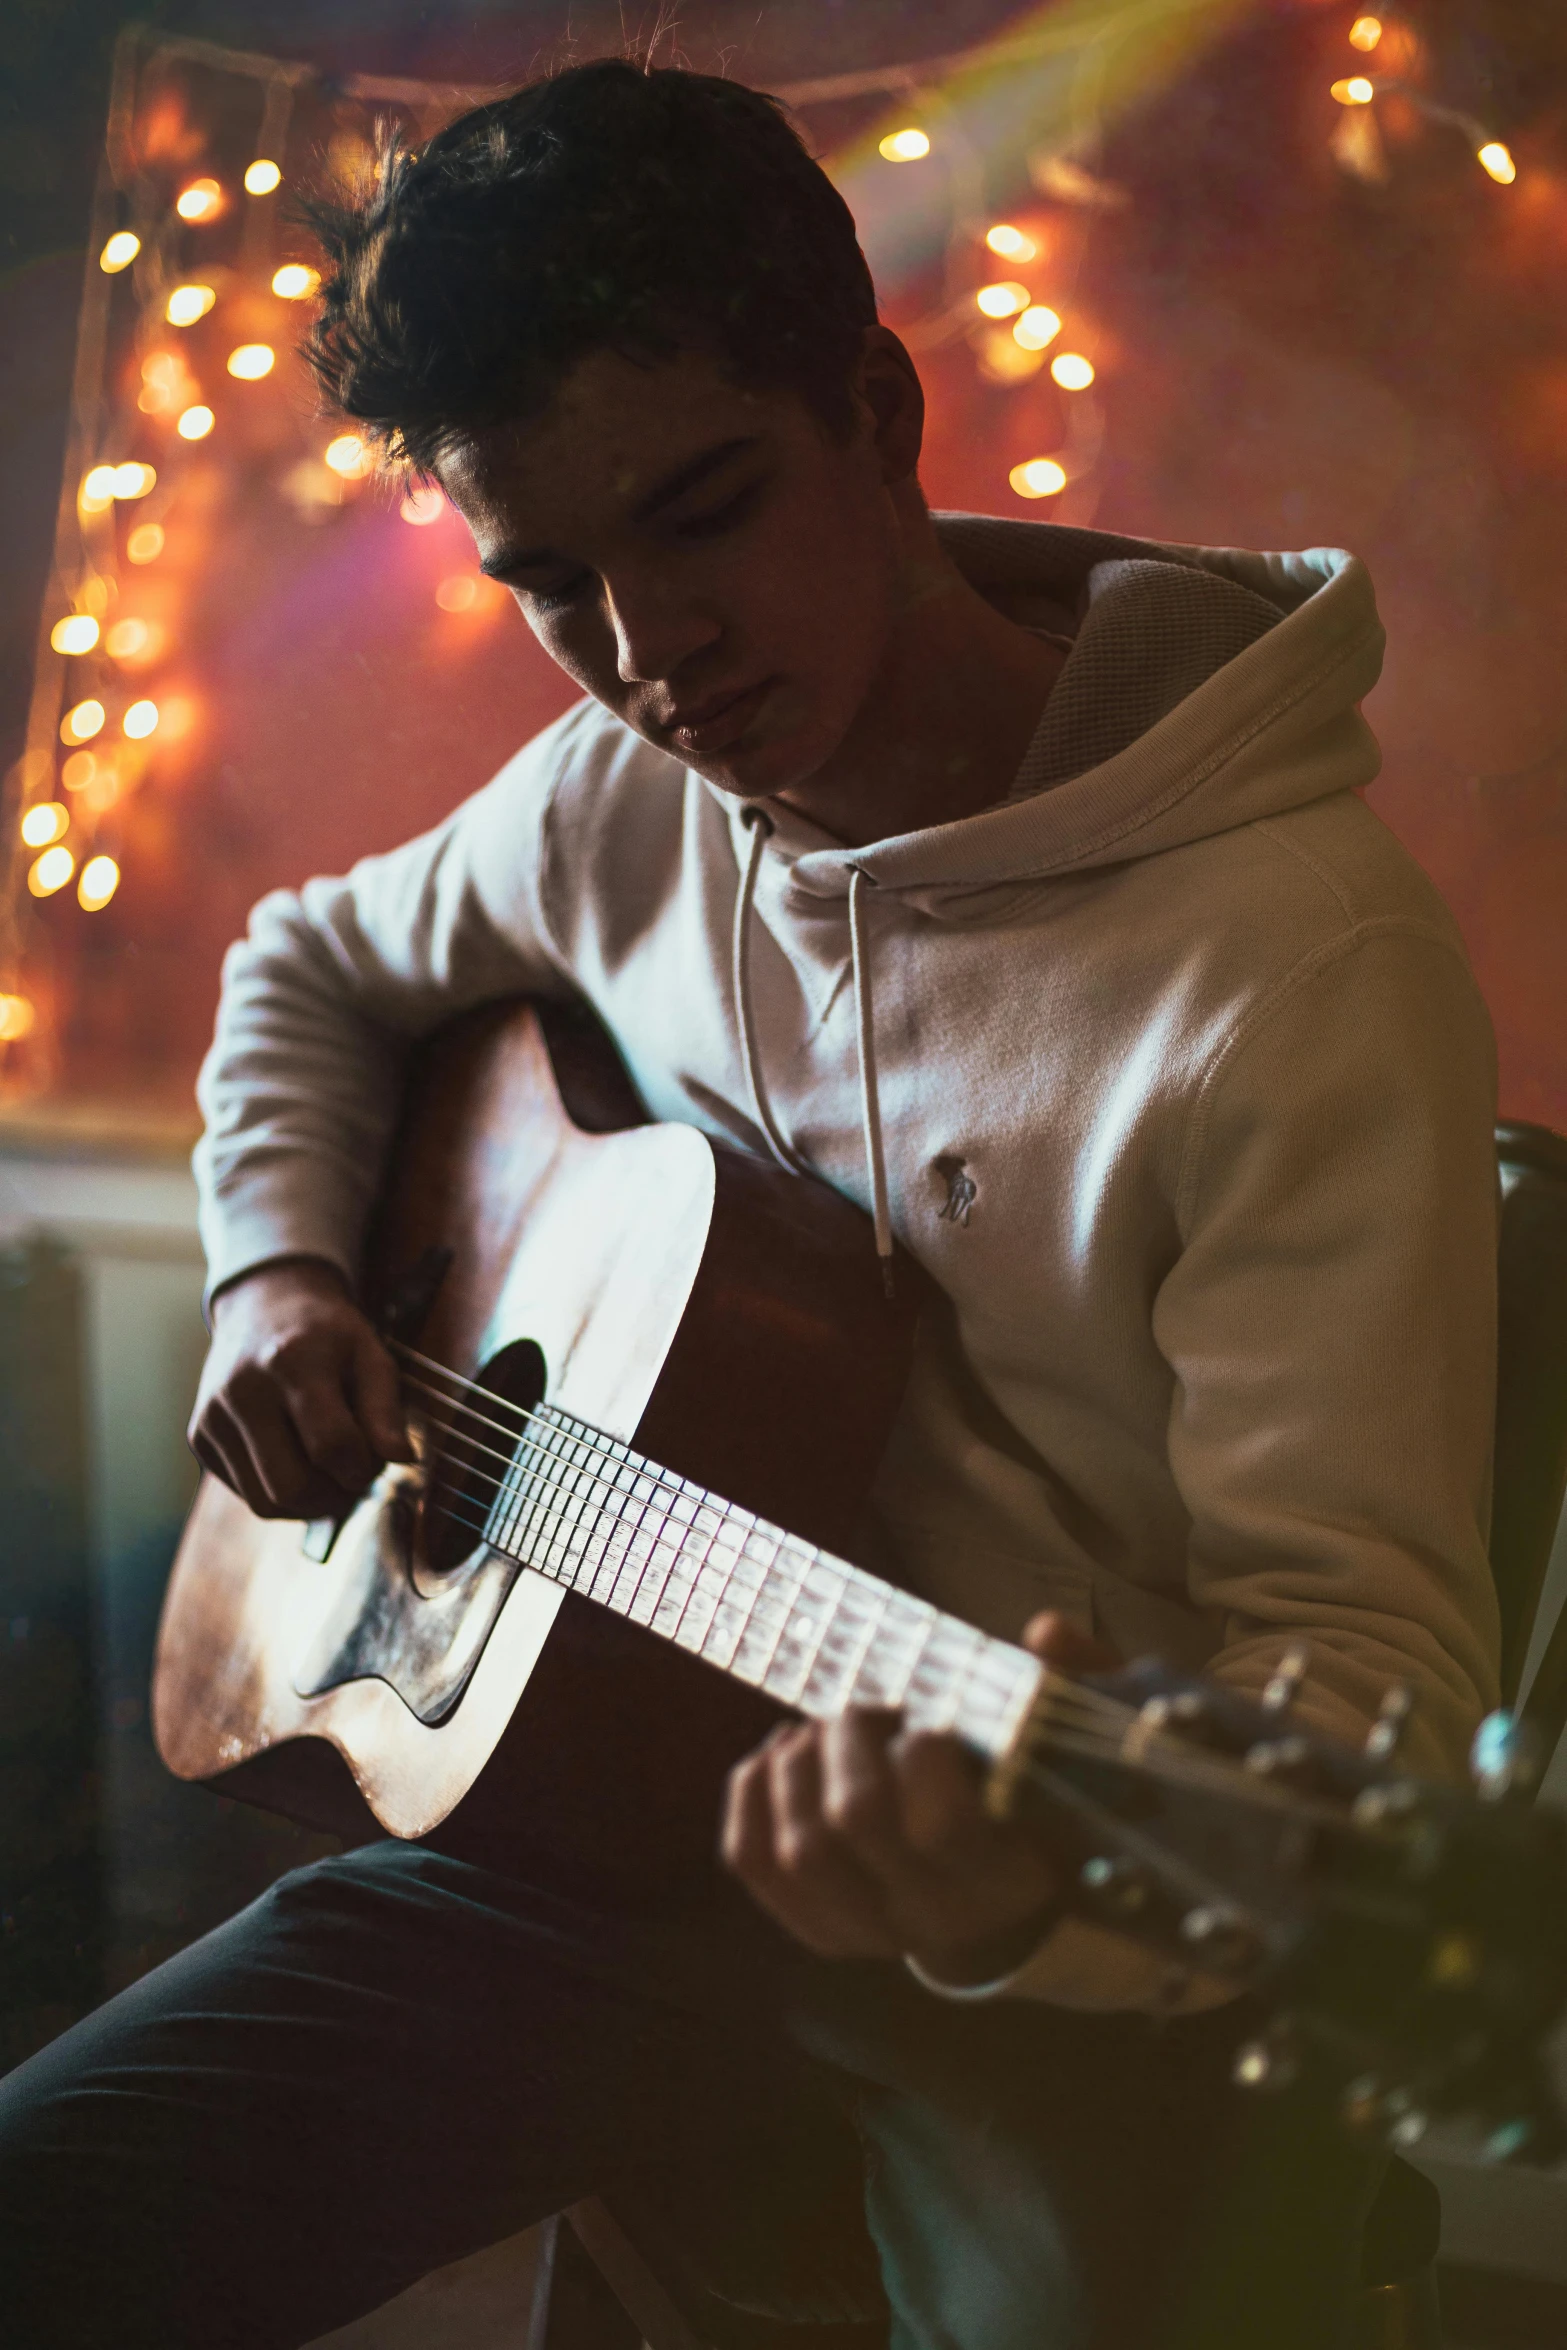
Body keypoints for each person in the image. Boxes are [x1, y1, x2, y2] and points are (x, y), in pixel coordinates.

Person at [0, 57, 1501, 2350]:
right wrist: (281, 1269)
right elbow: (313, 959)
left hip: (1040, 1928)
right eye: (549, 583)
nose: (647, 653)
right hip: (582, 1853)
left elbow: (1367, 1671)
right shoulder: (627, 798)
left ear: (880, 415)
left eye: (703, 510)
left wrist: (1019, 1867)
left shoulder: (1302, 961)